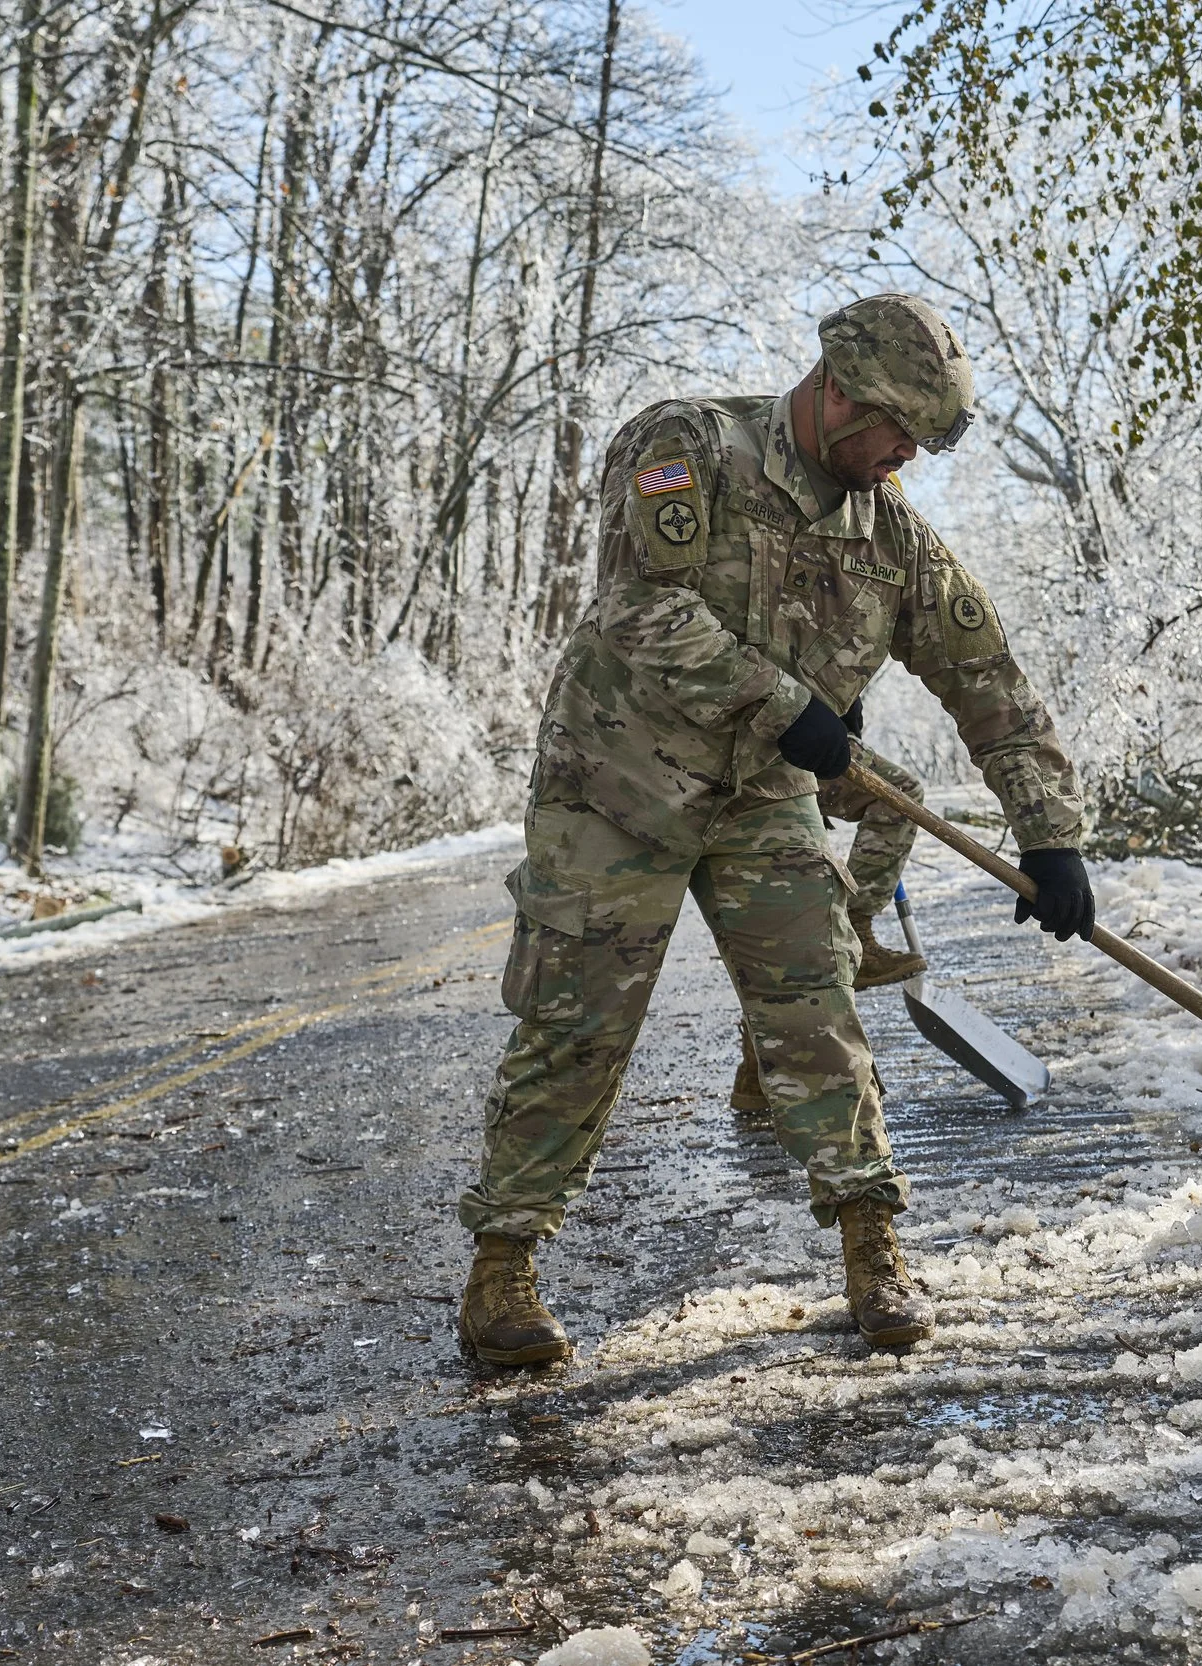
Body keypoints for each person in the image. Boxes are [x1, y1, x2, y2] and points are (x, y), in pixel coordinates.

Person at [456, 294, 1095, 1366]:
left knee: (818, 1001)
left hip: (759, 795)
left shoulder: (887, 532)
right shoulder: (690, 446)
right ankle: (502, 1270)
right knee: (578, 1026)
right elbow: (639, 607)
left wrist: (1050, 836)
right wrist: (785, 702)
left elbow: (986, 679)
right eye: (898, 431)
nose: (904, 459)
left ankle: (871, 1242)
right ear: (840, 392)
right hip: (615, 785)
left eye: (921, 444)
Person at [729, 711, 925, 1114]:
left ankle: (757, 1076)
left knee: (782, 905)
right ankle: (853, 929)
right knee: (895, 795)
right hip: (770, 732)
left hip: (774, 736)